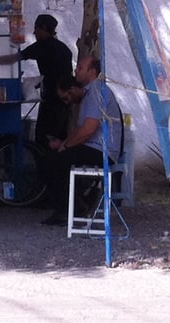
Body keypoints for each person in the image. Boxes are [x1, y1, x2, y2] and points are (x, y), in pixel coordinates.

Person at [39, 56, 123, 227]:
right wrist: (63, 144)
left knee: (52, 162)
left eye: (80, 68)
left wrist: (66, 146)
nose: (76, 70)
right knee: (53, 158)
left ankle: (69, 209)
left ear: (92, 72)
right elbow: (79, 130)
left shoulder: (97, 91)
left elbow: (88, 130)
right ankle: (75, 203)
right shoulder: (90, 92)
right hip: (94, 147)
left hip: (102, 150)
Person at [0, 13, 73, 145]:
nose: (34, 32)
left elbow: (14, 58)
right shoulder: (64, 49)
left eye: (36, 28)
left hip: (51, 101)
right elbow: (59, 73)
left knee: (43, 139)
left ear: (44, 28)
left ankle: (45, 164)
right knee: (59, 139)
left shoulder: (42, 46)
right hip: (66, 102)